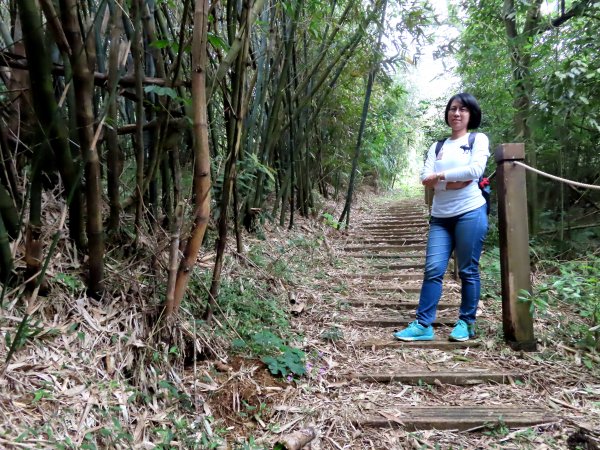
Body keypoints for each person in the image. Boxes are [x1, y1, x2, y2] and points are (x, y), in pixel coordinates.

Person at [394, 92, 489, 342]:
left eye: (463, 109)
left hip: (470, 211)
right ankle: (424, 324)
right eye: (453, 108)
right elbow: (425, 178)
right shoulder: (437, 146)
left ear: (471, 114)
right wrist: (453, 181)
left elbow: (475, 170)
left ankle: (466, 322)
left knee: (468, 270)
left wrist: (441, 177)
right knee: (433, 269)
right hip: (440, 216)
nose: (456, 113)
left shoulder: (477, 139)